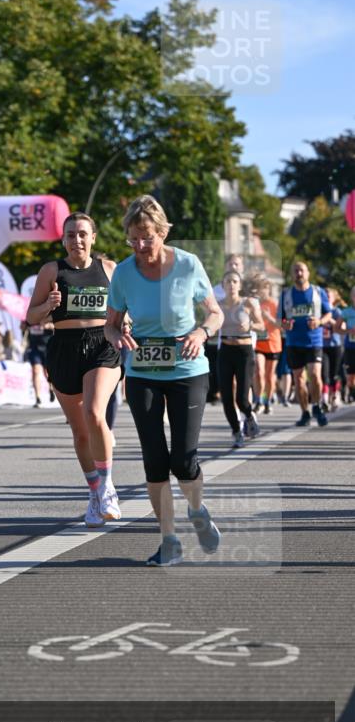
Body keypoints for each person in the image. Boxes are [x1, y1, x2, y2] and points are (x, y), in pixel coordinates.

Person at [104, 195, 224, 567]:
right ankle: (169, 540)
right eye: (133, 239)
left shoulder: (188, 266)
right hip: (143, 374)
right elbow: (111, 324)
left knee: (183, 460)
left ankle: (198, 510)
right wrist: (116, 337)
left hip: (188, 371)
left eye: (147, 238)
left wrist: (201, 334)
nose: (140, 246)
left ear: (163, 232)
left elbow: (215, 313)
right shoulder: (124, 272)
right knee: (154, 461)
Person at [26, 212, 122, 527]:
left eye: (82, 234)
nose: (76, 240)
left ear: (93, 237)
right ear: (63, 239)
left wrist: (127, 324)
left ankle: (107, 487)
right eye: (70, 235)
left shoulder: (109, 269)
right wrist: (48, 305)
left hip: (102, 346)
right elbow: (31, 317)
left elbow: (127, 310)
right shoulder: (51, 270)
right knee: (81, 431)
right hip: (64, 348)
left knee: (95, 414)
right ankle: (94, 493)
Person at [277, 262, 332, 427]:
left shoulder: (318, 292)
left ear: (308, 273)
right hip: (294, 342)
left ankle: (317, 406)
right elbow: (280, 318)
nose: (299, 273)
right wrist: (284, 324)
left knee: (315, 375)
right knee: (299, 380)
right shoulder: (286, 294)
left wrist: (320, 321)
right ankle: (305, 412)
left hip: (314, 341)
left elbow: (329, 313)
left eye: (301, 270)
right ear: (292, 274)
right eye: (295, 270)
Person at [217, 270, 265, 447]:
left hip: (244, 351)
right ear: (223, 285)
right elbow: (209, 324)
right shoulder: (218, 305)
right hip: (225, 351)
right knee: (227, 397)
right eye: (228, 281)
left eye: (235, 281)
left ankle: (249, 414)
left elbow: (261, 326)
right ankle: (237, 432)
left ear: (240, 285)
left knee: (242, 398)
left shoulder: (249, 303)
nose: (231, 285)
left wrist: (250, 324)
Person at [250, 276, 282, 415]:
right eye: (257, 288)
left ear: (268, 289)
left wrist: (268, 317)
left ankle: (267, 401)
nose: (259, 291)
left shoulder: (274, 304)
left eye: (262, 288)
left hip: (273, 343)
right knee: (259, 371)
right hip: (258, 343)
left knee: (269, 376)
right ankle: (258, 400)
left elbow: (281, 326)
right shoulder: (252, 303)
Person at [321, 288, 345, 411]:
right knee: (324, 374)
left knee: (334, 374)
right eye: (324, 295)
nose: (326, 297)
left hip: (335, 346)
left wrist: (329, 318)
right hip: (322, 346)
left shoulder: (337, 311)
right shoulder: (319, 310)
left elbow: (343, 327)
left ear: (334, 298)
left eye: (329, 295)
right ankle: (324, 398)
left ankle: (334, 397)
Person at [24, 320, 55, 407]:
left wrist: (48, 325)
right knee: (36, 370)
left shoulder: (48, 312)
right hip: (34, 347)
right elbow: (23, 326)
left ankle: (51, 389)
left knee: (47, 372)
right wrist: (24, 326)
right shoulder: (30, 314)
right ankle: (37, 398)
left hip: (47, 346)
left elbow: (57, 325)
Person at [335, 284, 355, 404]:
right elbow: (336, 328)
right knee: (350, 377)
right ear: (352, 297)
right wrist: (348, 331)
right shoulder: (346, 312)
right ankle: (352, 392)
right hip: (350, 347)